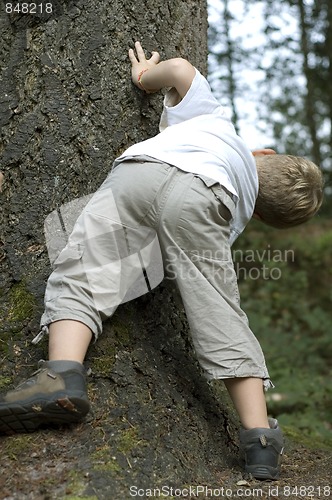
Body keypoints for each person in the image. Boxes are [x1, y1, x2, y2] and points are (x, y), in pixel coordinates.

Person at [0, 42, 324, 480]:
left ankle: (62, 372)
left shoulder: (217, 124)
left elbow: (179, 69)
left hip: (142, 171)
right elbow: (178, 254)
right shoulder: (237, 215)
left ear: (262, 154)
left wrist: (144, 78)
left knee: (84, 270)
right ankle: (260, 438)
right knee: (221, 315)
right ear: (263, 214)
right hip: (206, 203)